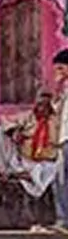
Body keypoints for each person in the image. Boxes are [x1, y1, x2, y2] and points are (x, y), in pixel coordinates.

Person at [53, 48, 68, 229]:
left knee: (61, 178)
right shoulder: (64, 89)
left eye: (61, 68)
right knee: (60, 178)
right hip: (63, 138)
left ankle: (64, 218)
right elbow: (55, 110)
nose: (59, 73)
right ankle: (63, 218)